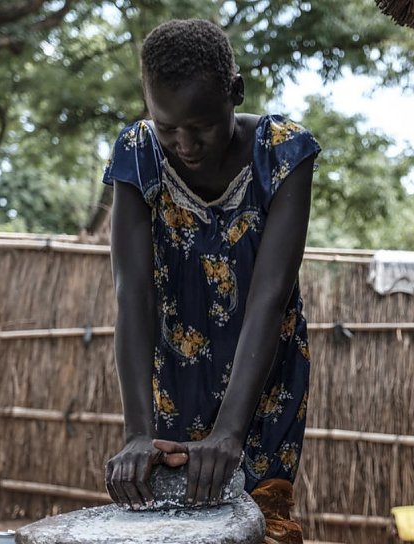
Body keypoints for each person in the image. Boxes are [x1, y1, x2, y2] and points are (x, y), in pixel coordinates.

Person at [102, 19, 319, 543]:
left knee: (261, 525)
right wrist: (137, 432)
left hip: (262, 380)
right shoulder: (138, 152)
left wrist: (229, 432)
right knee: (172, 529)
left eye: (200, 125)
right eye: (167, 126)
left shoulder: (284, 155)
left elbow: (270, 297)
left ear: (235, 93)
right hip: (173, 380)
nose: (184, 143)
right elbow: (133, 294)